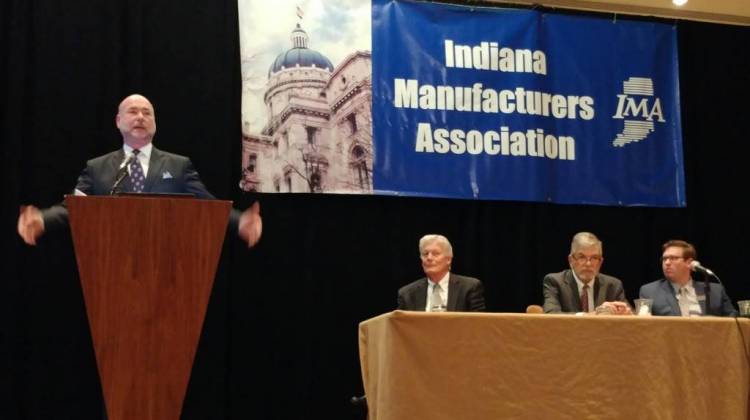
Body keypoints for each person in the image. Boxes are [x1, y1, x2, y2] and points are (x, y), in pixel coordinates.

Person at [17, 94, 262, 247]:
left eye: (147, 113)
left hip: (169, 265)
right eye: (133, 112)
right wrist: (42, 219)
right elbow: (73, 208)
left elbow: (207, 206)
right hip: (110, 263)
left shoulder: (178, 165)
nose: (140, 117)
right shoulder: (97, 168)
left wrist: (241, 222)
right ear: (118, 121)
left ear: (154, 123)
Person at [639, 240, 737, 317]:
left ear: (689, 263)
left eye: (673, 258)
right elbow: (644, 325)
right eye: (664, 259)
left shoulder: (715, 291)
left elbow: (733, 320)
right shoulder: (650, 291)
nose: (667, 263)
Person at [543, 232, 631, 314]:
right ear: (571, 260)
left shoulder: (613, 286)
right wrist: (595, 314)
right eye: (582, 257)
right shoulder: (555, 282)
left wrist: (626, 314)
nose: (588, 264)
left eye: (594, 258)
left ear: (600, 262)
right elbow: (552, 315)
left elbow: (630, 319)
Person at [397, 234, 485, 312]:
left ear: (448, 259)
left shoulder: (469, 288)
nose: (429, 258)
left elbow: (478, 325)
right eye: (425, 254)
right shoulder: (407, 294)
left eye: (435, 253)